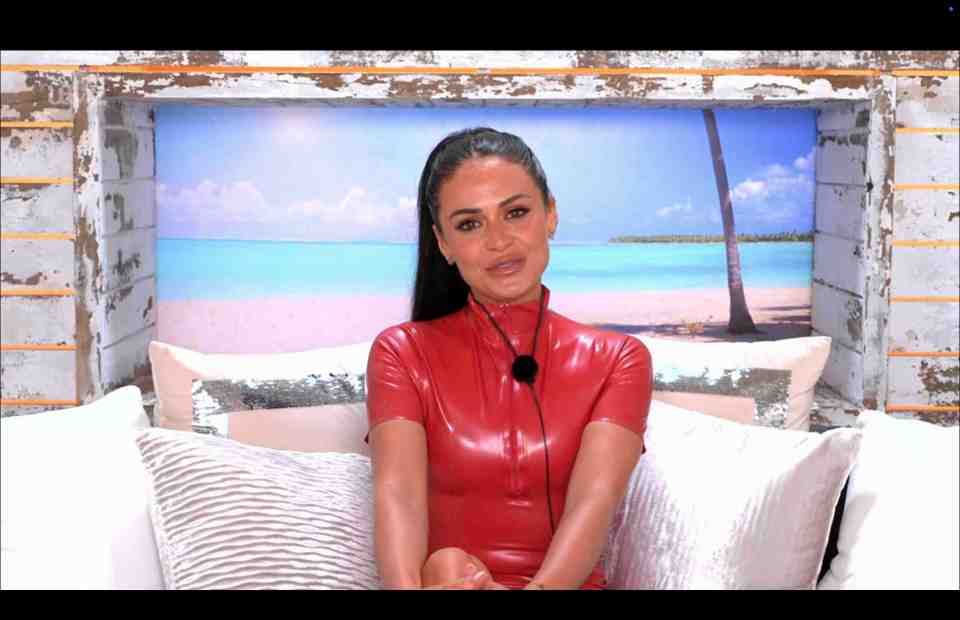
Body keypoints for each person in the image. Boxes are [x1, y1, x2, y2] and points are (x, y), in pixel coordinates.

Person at [366, 127, 652, 590]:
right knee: (448, 566)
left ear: (551, 214)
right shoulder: (401, 353)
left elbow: (594, 502)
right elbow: (398, 497)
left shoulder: (620, 359)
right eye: (470, 224)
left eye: (515, 213)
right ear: (443, 243)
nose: (498, 241)